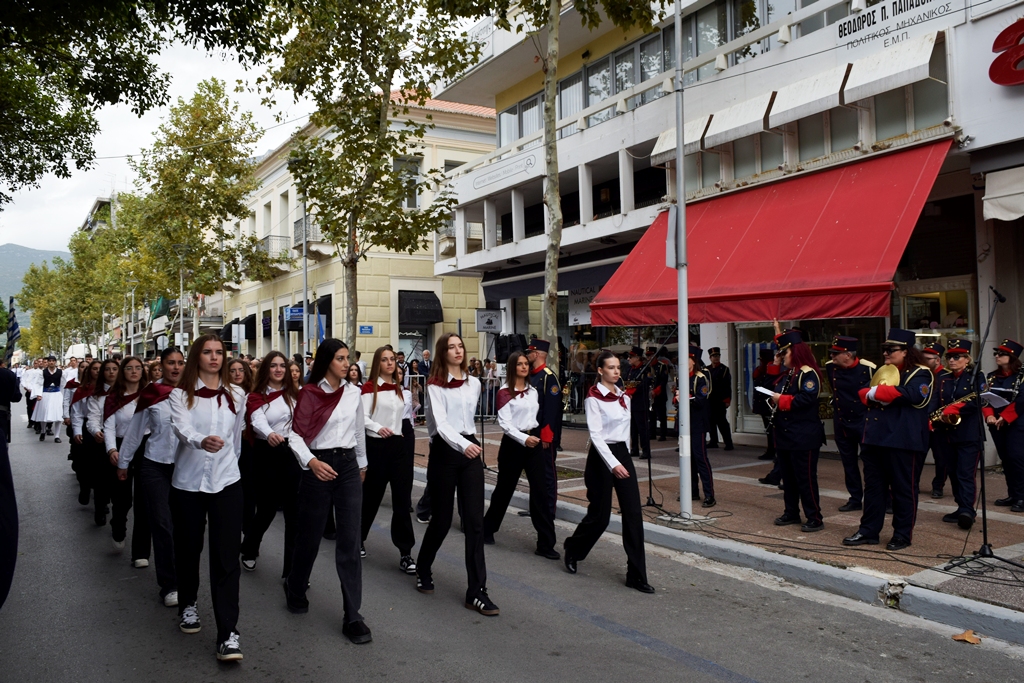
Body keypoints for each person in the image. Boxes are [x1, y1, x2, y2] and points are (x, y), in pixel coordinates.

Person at [284, 338, 372, 645]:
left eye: (348, 358)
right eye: (340, 358)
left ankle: (353, 614)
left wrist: (361, 465)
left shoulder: (354, 394)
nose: (347, 363)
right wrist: (311, 462)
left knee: (349, 540)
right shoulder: (309, 393)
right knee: (309, 536)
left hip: (347, 465)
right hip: (317, 465)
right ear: (326, 362)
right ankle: (295, 586)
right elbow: (294, 436)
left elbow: (359, 431)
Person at [167, 334, 246, 661]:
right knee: (188, 549)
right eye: (207, 352)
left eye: (219, 353)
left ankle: (228, 632)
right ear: (196, 357)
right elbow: (181, 429)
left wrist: (231, 465)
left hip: (227, 481)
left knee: (227, 556)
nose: (214, 358)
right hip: (188, 483)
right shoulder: (178, 395)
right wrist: (202, 441)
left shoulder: (238, 394)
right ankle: (188, 604)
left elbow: (236, 438)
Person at [415, 333, 498, 616]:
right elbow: (440, 425)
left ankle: (476, 591)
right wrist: (465, 446)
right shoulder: (435, 386)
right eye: (451, 347)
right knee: (441, 520)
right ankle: (423, 567)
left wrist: (469, 445)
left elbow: (469, 422)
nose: (458, 350)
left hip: (469, 449)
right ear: (442, 353)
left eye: (460, 346)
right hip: (446, 453)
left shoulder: (474, 383)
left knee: (475, 523)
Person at [563, 350, 652, 593]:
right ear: (600, 371)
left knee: (633, 514)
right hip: (602, 457)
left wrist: (626, 457)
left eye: (618, 367)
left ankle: (636, 575)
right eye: (610, 368)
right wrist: (614, 464)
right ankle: (573, 548)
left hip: (622, 454)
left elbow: (625, 432)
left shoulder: (624, 396)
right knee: (600, 516)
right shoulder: (593, 398)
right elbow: (596, 436)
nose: (616, 371)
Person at [843, 329, 933, 551]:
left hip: (903, 441)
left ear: (906, 351)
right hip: (876, 438)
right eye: (884, 349)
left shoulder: (921, 373)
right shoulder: (883, 371)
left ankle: (902, 534)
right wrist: (874, 393)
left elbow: (914, 395)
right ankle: (868, 530)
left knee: (903, 489)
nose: (886, 353)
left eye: (891, 350)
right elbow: (863, 393)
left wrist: (878, 393)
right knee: (873, 488)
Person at [116, 347, 185, 608]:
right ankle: (169, 584)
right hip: (155, 465)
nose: (176, 367)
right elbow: (135, 431)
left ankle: (186, 576)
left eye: (180, 363)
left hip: (186, 468)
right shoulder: (152, 393)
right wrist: (123, 462)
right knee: (162, 523)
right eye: (170, 363)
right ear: (161, 366)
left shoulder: (196, 393)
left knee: (185, 526)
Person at [483, 350, 559, 559]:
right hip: (513, 445)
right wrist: (524, 439)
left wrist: (538, 436)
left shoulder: (533, 391)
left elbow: (538, 416)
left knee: (541, 491)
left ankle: (545, 543)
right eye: (519, 364)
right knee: (504, 490)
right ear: (512, 367)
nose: (524, 367)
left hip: (533, 442)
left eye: (526, 363)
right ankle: (487, 529)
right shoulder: (504, 392)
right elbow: (505, 424)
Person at [240, 351, 301, 578]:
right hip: (266, 453)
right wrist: (271, 434)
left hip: (292, 452)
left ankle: (292, 571)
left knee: (294, 513)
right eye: (273, 366)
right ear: (266, 369)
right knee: (266, 510)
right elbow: (257, 421)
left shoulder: (295, 395)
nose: (278, 369)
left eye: (282, 366)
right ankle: (249, 548)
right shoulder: (255, 397)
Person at [360, 345, 417, 574]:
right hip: (376, 446)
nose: (390, 363)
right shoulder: (368, 388)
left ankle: (405, 553)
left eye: (392, 359)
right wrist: (378, 427)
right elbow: (362, 418)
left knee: (402, 501)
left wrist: (398, 431)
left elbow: (400, 416)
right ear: (378, 363)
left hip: (398, 447)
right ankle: (358, 539)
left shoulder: (399, 389)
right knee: (371, 498)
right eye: (384, 359)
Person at [768, 330, 825, 533]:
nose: (782, 357)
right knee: (789, 478)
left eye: (785, 353)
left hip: (803, 435)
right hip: (786, 434)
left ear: (795, 351)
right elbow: (771, 388)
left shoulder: (808, 373)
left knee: (806, 478)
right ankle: (791, 512)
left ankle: (814, 516)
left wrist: (781, 401)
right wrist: (774, 366)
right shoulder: (790, 374)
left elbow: (807, 399)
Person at [934, 339, 986, 530]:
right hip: (946, 433)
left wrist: (956, 409)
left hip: (969, 434)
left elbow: (980, 401)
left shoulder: (977, 376)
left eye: (957, 357)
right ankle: (960, 507)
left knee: (965, 473)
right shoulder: (944, 378)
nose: (952, 360)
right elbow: (936, 401)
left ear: (967, 359)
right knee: (953, 473)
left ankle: (967, 510)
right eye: (949, 357)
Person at [103, 356, 150, 555]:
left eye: (137, 368)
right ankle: (118, 527)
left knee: (144, 498)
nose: (133, 371)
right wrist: (112, 449)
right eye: (129, 368)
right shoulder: (114, 397)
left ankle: (141, 552)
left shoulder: (151, 395)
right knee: (122, 497)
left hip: (146, 448)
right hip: (121, 446)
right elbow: (109, 426)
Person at [824, 336, 875, 512]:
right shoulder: (830, 368)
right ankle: (855, 498)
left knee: (872, 464)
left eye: (835, 353)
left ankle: (877, 497)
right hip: (842, 422)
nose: (832, 357)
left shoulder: (869, 369)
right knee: (849, 463)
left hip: (864, 422)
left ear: (847, 354)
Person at [527, 339, 561, 527]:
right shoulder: (531, 376)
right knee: (536, 473)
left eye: (530, 352)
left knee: (548, 474)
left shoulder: (549, 377)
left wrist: (547, 435)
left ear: (538, 354)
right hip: (532, 433)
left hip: (543, 434)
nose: (528, 355)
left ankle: (549, 509)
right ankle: (538, 506)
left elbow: (552, 408)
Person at [87, 359, 121, 527]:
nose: (111, 372)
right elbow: (92, 418)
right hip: (102, 441)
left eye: (115, 369)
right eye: (107, 369)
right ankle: (100, 507)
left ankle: (118, 514)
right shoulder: (96, 395)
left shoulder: (128, 393)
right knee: (101, 479)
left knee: (119, 483)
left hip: (122, 441)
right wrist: (96, 431)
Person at [687, 346, 715, 507]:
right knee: (688, 459)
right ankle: (693, 491)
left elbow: (702, 399)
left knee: (701, 458)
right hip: (686, 423)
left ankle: (709, 494)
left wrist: (686, 397)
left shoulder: (701, 377)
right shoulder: (683, 377)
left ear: (694, 361)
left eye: (688, 359)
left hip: (698, 422)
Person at [70, 360, 100, 506]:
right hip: (86, 429)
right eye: (95, 369)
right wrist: (76, 431)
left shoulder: (112, 390)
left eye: (101, 369)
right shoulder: (82, 390)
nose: (98, 372)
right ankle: (85, 487)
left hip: (105, 429)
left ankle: (102, 502)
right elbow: (76, 413)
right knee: (84, 463)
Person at [921, 342, 949, 498]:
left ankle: (938, 486)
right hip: (922, 422)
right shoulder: (922, 374)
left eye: (927, 359)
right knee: (918, 456)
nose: (923, 361)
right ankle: (913, 483)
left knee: (941, 458)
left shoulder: (945, 375)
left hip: (938, 424)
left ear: (937, 360)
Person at [624, 347, 651, 460]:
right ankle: (634, 449)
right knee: (633, 429)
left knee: (642, 429)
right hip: (632, 403)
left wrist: (632, 391)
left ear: (637, 357)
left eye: (631, 357)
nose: (628, 359)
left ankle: (646, 450)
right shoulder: (631, 370)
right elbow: (627, 382)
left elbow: (645, 384)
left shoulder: (645, 369)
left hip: (640, 403)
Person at [705, 348, 733, 450]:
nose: (716, 358)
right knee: (711, 421)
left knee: (722, 422)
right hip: (710, 400)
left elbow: (727, 385)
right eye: (714, 356)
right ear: (710, 358)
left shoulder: (724, 369)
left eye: (718, 356)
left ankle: (728, 443)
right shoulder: (706, 369)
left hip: (719, 399)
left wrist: (727, 399)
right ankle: (713, 441)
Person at [752, 349, 777, 464]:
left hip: (768, 404)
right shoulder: (761, 370)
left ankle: (772, 450)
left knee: (771, 429)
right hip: (762, 402)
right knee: (768, 429)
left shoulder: (770, 370)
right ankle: (771, 449)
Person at [32, 355, 64, 442]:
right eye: (49, 361)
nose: (51, 362)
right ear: (47, 362)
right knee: (44, 413)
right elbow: (38, 384)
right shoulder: (42, 372)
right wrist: (38, 394)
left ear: (55, 362)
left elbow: (63, 385)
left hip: (56, 394)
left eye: (53, 361)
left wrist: (64, 396)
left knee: (58, 415)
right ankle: (43, 431)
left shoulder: (61, 372)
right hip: (45, 394)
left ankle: (57, 436)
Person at [648, 347, 670, 442]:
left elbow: (663, 381)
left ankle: (663, 434)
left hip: (659, 395)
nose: (648, 357)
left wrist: (656, 391)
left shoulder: (661, 366)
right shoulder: (647, 367)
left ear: (654, 355)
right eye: (647, 355)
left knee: (661, 416)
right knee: (651, 416)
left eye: (650, 355)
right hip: (650, 395)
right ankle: (652, 433)